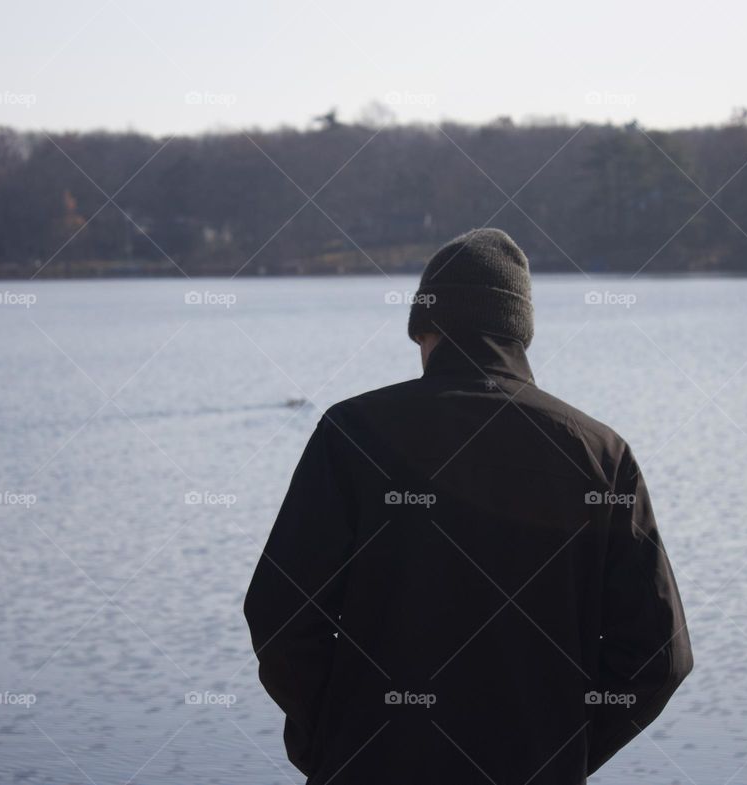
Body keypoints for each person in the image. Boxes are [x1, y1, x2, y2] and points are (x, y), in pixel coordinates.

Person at [244, 228, 693, 784]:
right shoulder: (599, 454)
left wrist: (333, 746)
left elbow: (280, 616)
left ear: (425, 329)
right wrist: (562, 753)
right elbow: (659, 656)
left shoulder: (353, 433)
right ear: (520, 333)